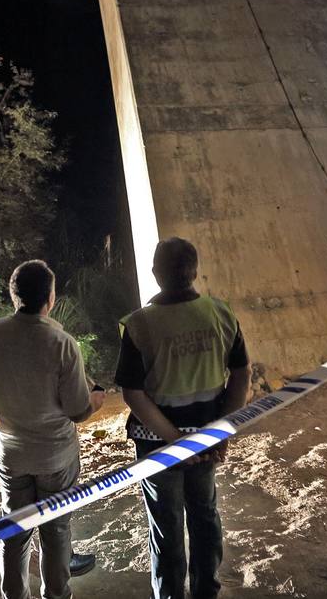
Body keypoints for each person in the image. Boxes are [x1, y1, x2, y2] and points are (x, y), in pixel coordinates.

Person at [0, 260, 105, 599]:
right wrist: (98, 400)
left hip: (11, 454)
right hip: (55, 456)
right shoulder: (61, 342)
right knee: (56, 530)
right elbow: (78, 411)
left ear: (12, 295)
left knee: (14, 533)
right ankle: (56, 595)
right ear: (49, 298)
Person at [115, 237, 250, 599]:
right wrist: (222, 431)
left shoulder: (139, 324)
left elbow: (133, 393)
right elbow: (241, 375)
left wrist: (175, 441)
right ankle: (207, 590)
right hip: (207, 441)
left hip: (158, 446)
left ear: (156, 273)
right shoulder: (221, 313)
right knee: (205, 516)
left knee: (166, 525)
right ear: (194, 271)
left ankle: (171, 594)